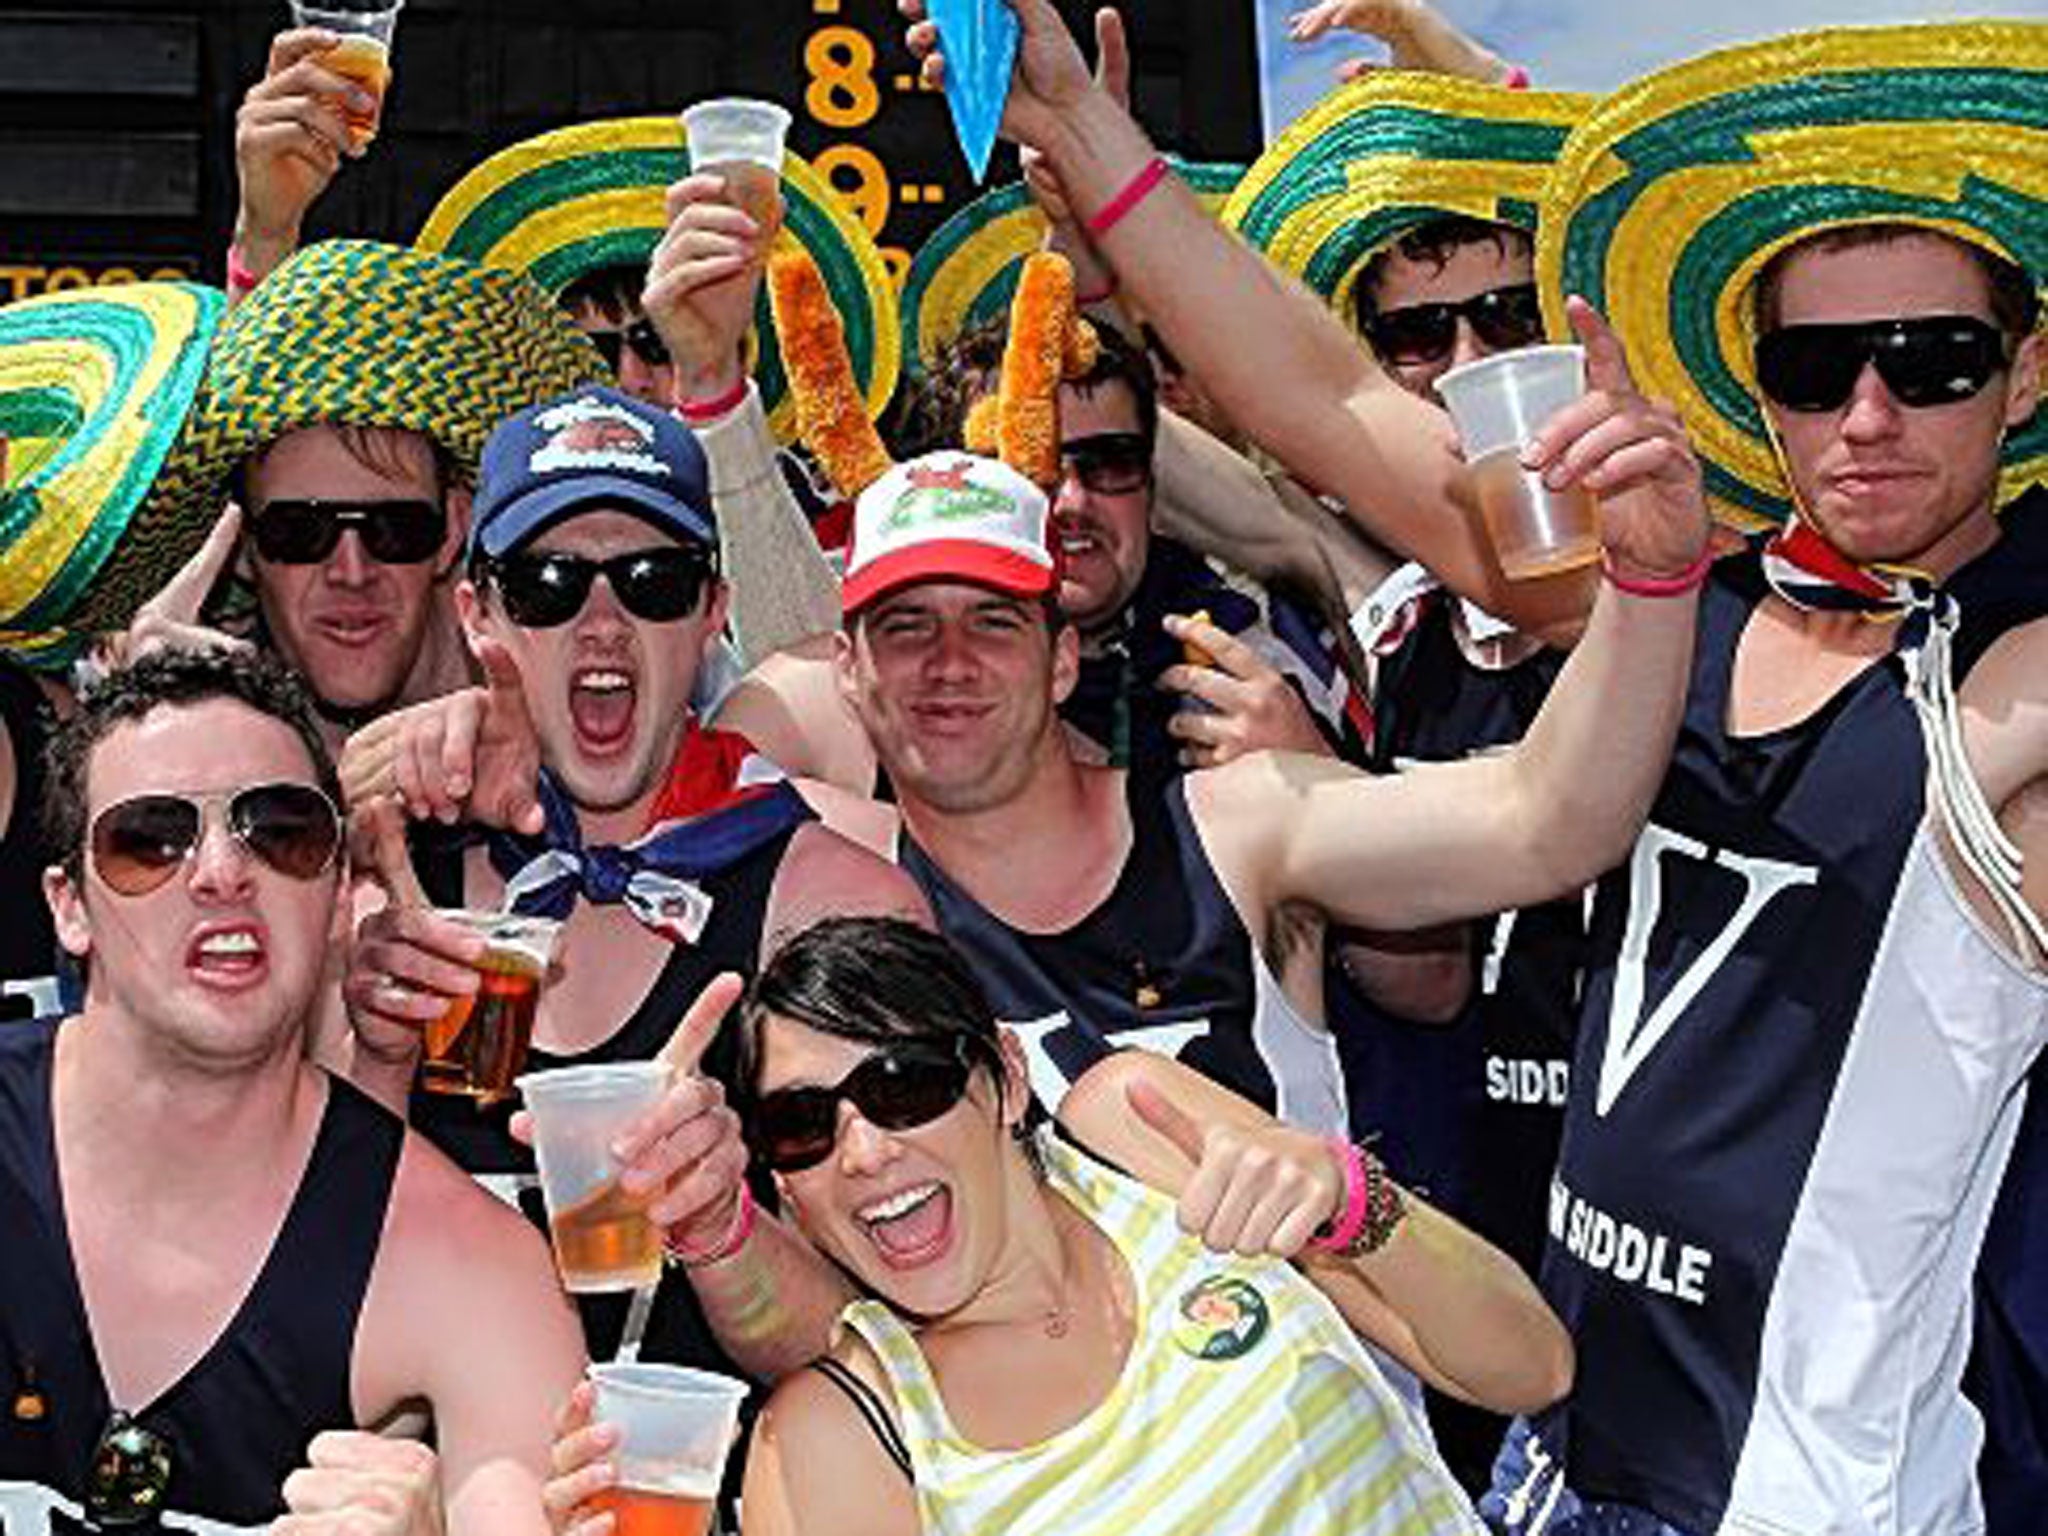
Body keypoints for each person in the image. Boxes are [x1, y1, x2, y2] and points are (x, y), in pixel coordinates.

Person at [913, 7, 2048, 1527]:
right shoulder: (1672, 590)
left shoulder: (2015, 685)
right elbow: (1330, 405)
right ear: (1754, 382)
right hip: (1555, 1454)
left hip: (1817, 1499)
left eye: (1933, 360)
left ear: (2023, 377)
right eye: (1813, 363)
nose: (1867, 415)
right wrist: (1076, 124)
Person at [544, 916, 1570, 1535]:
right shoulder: (841, 1437)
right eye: (803, 1125)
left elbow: (1531, 1369)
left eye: (904, 1086)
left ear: (1004, 1076)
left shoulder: (1140, 1130)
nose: (862, 1153)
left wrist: (1357, 1207)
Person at [339, 384, 926, 1380]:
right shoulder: (388, 888)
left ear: (710, 613)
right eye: (549, 584)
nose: (603, 623)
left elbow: (894, 1355)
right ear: (480, 615)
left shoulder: (833, 905)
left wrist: (721, 1224)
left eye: (653, 580)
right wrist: (380, 1064)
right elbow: (303, 1301)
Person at [0, 646, 584, 1533]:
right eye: (149, 838)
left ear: (340, 890)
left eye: (280, 831)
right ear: (68, 906)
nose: (222, 873)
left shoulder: (472, 1269)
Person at [117, 237, 604, 754]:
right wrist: (154, 742)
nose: (351, 572)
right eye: (300, 532)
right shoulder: (200, 719)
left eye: (395, 529)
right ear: (241, 549)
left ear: (453, 531)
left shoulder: (571, 720)